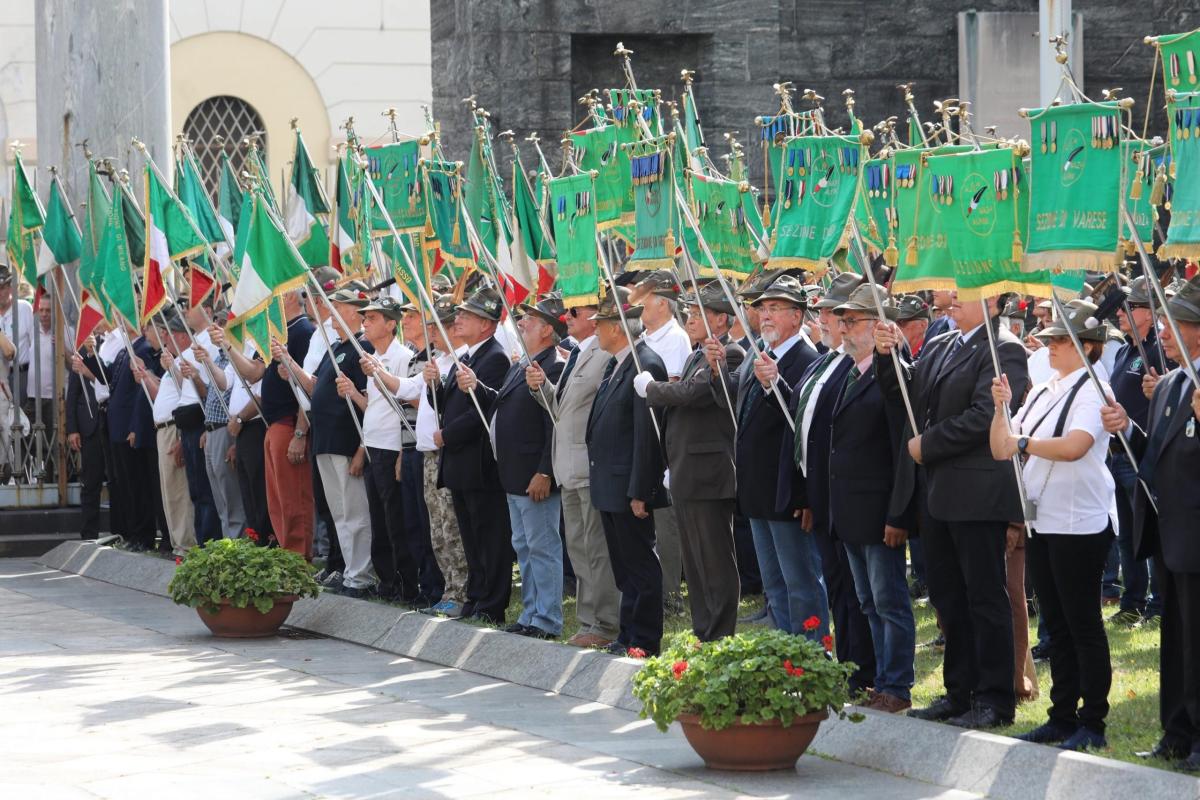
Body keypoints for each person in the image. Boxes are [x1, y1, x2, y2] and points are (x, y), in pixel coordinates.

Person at [876, 291, 1029, 730]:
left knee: (984, 596)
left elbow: (988, 416)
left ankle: (995, 698)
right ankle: (959, 692)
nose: (953, 299)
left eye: (967, 292)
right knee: (948, 598)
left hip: (978, 492)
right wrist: (888, 355)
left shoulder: (1005, 349)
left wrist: (929, 444)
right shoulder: (945, 343)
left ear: (994, 301)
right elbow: (907, 394)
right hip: (938, 493)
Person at [991, 300, 1115, 751]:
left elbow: (1076, 445)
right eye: (1049, 340)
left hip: (1079, 519)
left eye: (1059, 340)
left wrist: (1022, 440)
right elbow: (1001, 447)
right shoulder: (1046, 388)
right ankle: (1062, 715)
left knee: (1083, 624)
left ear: (1086, 347)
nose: (1050, 346)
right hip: (1042, 520)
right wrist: (1000, 409)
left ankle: (1093, 722)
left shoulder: (1093, 388)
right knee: (1058, 626)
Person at [1103, 275, 1200, 772]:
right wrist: (1129, 429)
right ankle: (1176, 731)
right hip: (1170, 533)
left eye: (1177, 322)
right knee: (1177, 640)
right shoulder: (1173, 382)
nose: (1163, 331)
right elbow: (1156, 454)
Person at [638, 282, 744, 641]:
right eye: (691, 312)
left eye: (699, 313)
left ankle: (720, 632)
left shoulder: (730, 353)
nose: (691, 318)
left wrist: (652, 389)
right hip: (686, 469)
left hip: (709, 472)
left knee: (714, 559)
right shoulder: (697, 354)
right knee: (696, 565)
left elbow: (693, 392)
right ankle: (704, 631)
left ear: (721, 319)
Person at [828, 285, 915, 713]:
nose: (844, 329)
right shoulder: (848, 371)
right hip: (851, 510)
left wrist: (898, 513)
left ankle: (896, 685)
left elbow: (902, 448)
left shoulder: (892, 372)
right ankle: (880, 679)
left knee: (888, 600)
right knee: (866, 601)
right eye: (843, 321)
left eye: (853, 321)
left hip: (880, 509)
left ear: (881, 326)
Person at [788, 272, 875, 687]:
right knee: (839, 585)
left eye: (837, 313)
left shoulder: (857, 367)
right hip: (821, 493)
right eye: (825, 311)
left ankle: (862, 666)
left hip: (848, 495)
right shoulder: (828, 360)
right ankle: (848, 661)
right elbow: (805, 427)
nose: (827, 319)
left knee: (859, 590)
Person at [727, 274, 826, 639]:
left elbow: (801, 424)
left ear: (798, 317)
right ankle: (787, 651)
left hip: (786, 492)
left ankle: (813, 652)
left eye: (776, 309)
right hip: (757, 490)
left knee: (800, 581)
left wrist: (774, 383)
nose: (765, 316)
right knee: (775, 583)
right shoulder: (761, 352)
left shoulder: (806, 359)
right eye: (762, 309)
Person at [463, 294, 566, 638]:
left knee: (542, 547)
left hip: (534, 474)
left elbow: (554, 424)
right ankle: (531, 613)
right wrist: (478, 387)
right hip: (513, 473)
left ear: (548, 331)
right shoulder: (522, 363)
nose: (521, 323)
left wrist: (545, 471)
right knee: (523, 546)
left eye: (530, 320)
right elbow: (503, 404)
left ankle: (547, 620)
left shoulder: (552, 366)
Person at [528, 298, 622, 648]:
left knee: (596, 550)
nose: (568, 318)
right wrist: (542, 388)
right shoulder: (580, 352)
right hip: (567, 466)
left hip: (588, 466)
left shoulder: (603, 354)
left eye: (576, 313)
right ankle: (587, 620)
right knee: (579, 548)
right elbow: (562, 411)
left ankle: (606, 623)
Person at [585, 286, 668, 656]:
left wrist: (640, 490)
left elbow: (647, 434)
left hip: (628, 485)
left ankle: (645, 638)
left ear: (618, 326)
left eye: (601, 323)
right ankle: (628, 632)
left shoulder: (644, 362)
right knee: (623, 567)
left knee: (639, 565)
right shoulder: (616, 362)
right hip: (609, 482)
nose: (596, 330)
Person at [423, 287, 513, 623]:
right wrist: (433, 385)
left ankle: (493, 603)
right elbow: (445, 405)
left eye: (468, 315)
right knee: (471, 538)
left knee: (489, 537)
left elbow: (482, 413)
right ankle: (476, 597)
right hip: (460, 464)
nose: (457, 319)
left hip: (479, 464)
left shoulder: (495, 358)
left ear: (487, 325)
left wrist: (447, 435)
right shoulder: (468, 356)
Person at [290, 284, 375, 597]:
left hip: (345, 442)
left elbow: (372, 404)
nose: (330, 313)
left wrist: (361, 448)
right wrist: (289, 362)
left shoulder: (362, 347)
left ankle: (361, 576)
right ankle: (351, 572)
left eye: (337, 307)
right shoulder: (335, 347)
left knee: (354, 511)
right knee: (340, 512)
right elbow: (315, 388)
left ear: (353, 311)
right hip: (325, 440)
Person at [217, 288, 316, 557]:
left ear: (291, 297)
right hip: (273, 425)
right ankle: (286, 553)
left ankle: (299, 558)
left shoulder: (303, 331)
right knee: (278, 500)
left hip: (289, 423)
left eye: (278, 295)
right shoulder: (278, 333)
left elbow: (308, 388)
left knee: (295, 497)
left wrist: (300, 431)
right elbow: (253, 372)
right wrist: (227, 346)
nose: (271, 302)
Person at [393, 295, 468, 616]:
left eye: (436, 328)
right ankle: (447, 590)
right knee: (436, 528)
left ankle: (460, 591)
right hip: (427, 454)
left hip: (448, 453)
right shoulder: (438, 361)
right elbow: (410, 391)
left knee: (452, 527)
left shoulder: (462, 362)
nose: (431, 334)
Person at [342, 295, 418, 602]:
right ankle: (387, 581)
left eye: (373, 318)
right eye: (365, 318)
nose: (366, 323)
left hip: (391, 447)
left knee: (395, 519)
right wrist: (353, 394)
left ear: (391, 324)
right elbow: (374, 407)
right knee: (379, 518)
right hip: (373, 445)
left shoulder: (402, 356)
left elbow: (405, 407)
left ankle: (404, 582)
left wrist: (401, 451)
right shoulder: (371, 357)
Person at [1106, 277, 1168, 626]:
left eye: (1129, 308)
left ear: (1148, 312)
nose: (1120, 313)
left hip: (1143, 452)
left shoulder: (1158, 349)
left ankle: (1158, 604)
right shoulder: (1129, 349)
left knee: (1151, 530)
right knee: (1127, 534)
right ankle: (1133, 601)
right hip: (1118, 452)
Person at [631, 270, 691, 614]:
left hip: (664, 434)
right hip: (643, 433)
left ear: (663, 306)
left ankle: (671, 594)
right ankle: (652, 588)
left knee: (666, 522)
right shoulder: (648, 337)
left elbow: (671, 387)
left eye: (647, 302)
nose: (641, 309)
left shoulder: (675, 338)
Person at [139, 311, 196, 553]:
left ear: (181, 336)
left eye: (169, 335)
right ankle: (177, 543)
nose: (166, 339)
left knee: (179, 491)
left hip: (175, 429)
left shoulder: (186, 359)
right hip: (163, 430)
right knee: (169, 492)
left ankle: (186, 543)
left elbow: (190, 395)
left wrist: (182, 437)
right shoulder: (173, 360)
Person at [194, 308, 246, 540]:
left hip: (228, 429)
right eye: (216, 321)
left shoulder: (239, 354)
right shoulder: (219, 356)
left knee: (231, 494)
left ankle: (238, 545)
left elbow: (229, 390)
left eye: (223, 322)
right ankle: (229, 545)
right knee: (220, 497)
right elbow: (216, 391)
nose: (217, 326)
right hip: (213, 428)